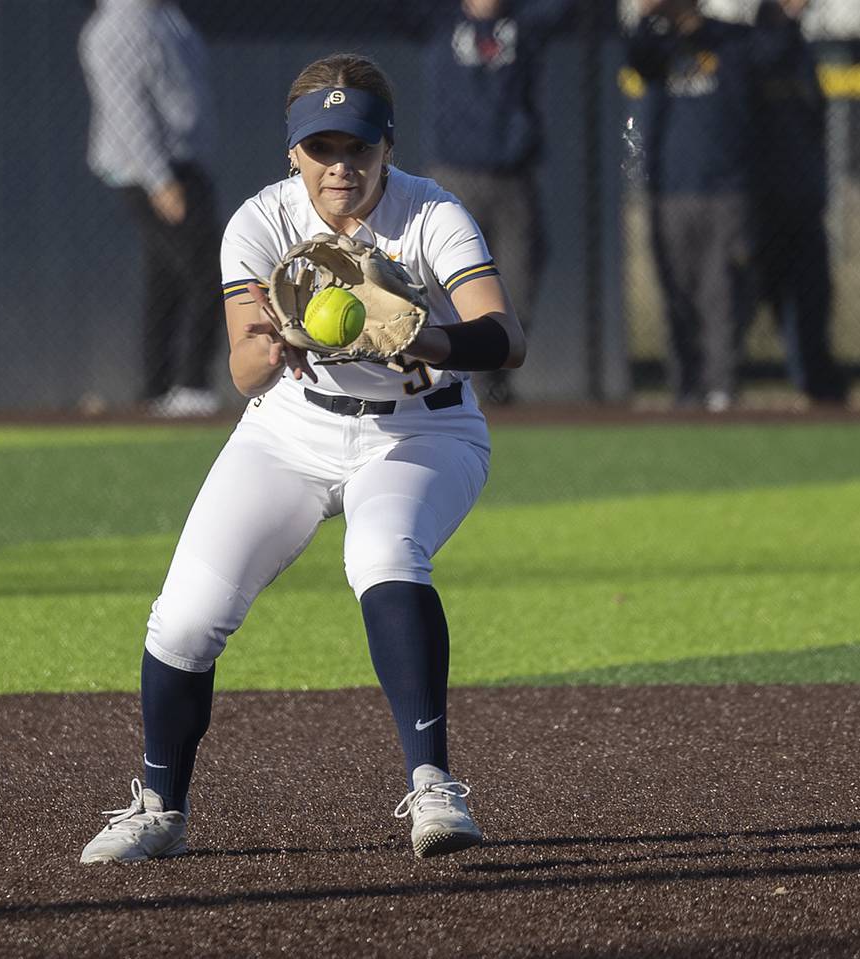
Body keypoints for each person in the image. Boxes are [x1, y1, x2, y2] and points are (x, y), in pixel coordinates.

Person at [79, 53, 527, 863]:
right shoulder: (260, 221)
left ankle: (434, 785)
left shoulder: (431, 213)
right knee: (185, 616)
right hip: (290, 428)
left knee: (382, 552)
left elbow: (505, 336)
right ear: (293, 153)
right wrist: (281, 340)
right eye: (321, 148)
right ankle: (160, 806)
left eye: (358, 146)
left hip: (423, 431)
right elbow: (245, 370)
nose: (340, 165)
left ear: (388, 145)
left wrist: (419, 335)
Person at [623, 0, 785, 411]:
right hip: (671, 192)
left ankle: (721, 389)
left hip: (727, 191)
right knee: (677, 294)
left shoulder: (732, 41)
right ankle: (686, 389)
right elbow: (637, 57)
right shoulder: (658, 47)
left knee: (722, 291)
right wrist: (647, 15)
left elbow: (773, 53)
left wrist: (782, 15)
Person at [418, 0, 575, 405]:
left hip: (512, 177)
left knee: (519, 275)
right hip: (453, 176)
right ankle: (440, 374)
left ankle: (493, 377)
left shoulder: (525, 24)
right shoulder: (440, 21)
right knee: (437, 279)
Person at [79, 0, 223, 417]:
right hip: (156, 173)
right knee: (209, 272)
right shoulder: (115, 28)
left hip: (186, 165)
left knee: (166, 279)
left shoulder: (167, 17)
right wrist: (159, 180)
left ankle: (157, 390)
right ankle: (192, 385)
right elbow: (127, 110)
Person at [751, 0, 849, 404]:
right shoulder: (755, 48)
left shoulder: (801, 52)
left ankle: (817, 385)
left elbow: (814, 121)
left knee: (811, 301)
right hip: (761, 206)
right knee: (741, 302)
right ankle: (710, 392)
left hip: (803, 202)